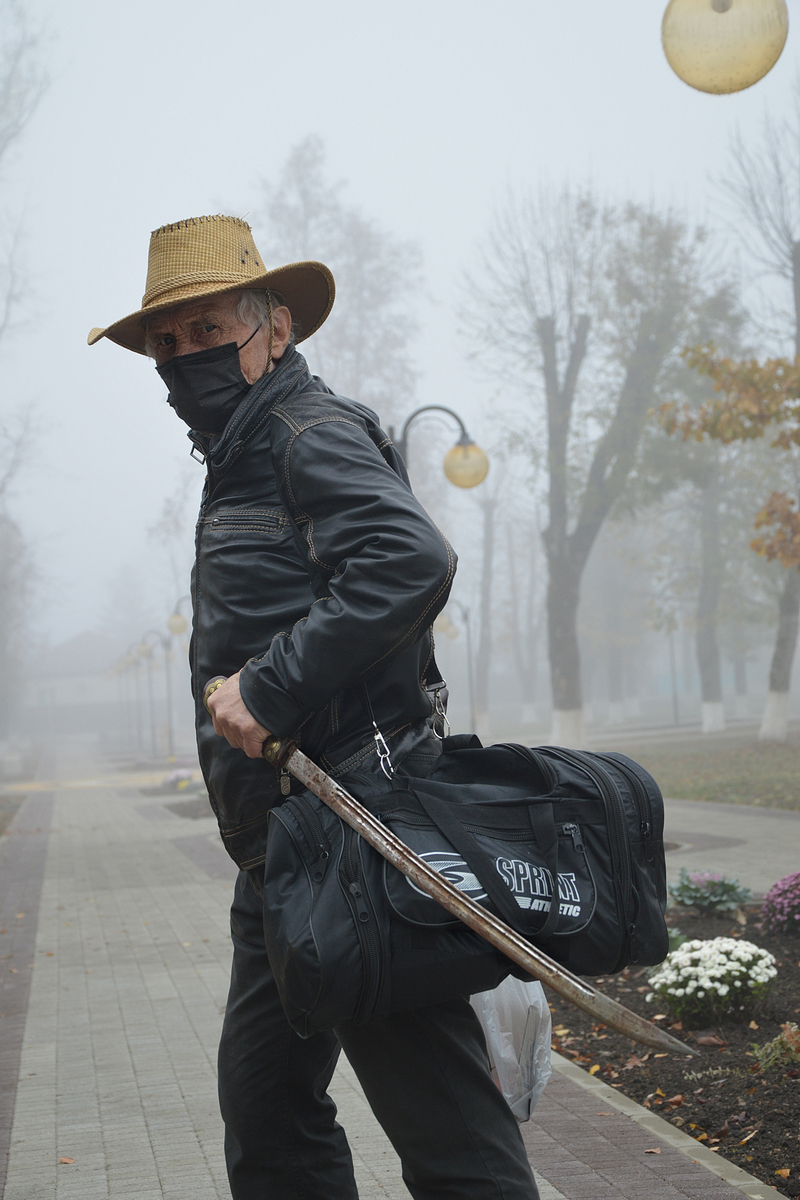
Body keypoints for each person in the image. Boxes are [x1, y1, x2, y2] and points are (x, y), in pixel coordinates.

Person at [89, 213, 539, 1200]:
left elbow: (410, 560)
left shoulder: (303, 428)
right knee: (265, 1107)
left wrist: (271, 684)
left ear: (276, 330)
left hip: (356, 835)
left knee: (446, 1132)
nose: (185, 359)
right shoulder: (243, 450)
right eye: (166, 344)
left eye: (209, 333)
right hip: (283, 844)